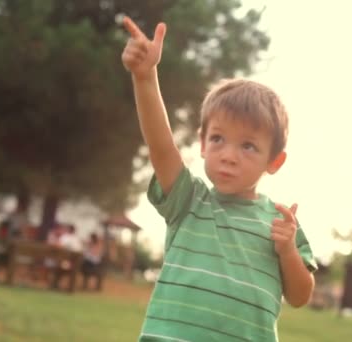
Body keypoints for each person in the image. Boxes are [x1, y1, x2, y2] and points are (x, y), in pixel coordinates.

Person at [121, 16, 317, 341]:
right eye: (218, 139)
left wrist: (287, 252)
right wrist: (145, 77)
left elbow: (300, 296)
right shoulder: (188, 201)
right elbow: (161, 146)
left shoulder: (281, 225)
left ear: (275, 161)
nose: (228, 155)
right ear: (201, 144)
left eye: (248, 146)